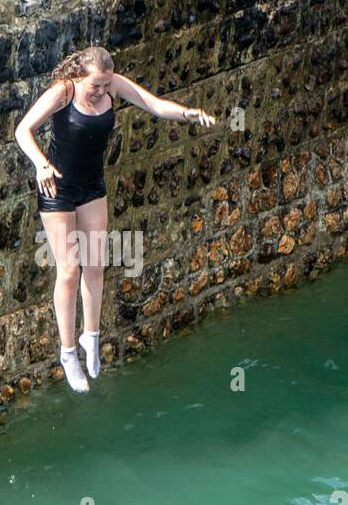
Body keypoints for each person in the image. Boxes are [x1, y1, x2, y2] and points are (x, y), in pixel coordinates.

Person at [14, 46, 215, 393]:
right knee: (69, 269)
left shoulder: (114, 84)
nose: (102, 92)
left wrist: (189, 114)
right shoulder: (63, 91)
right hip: (56, 188)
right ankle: (67, 354)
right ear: (79, 77)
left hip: (92, 186)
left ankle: (90, 337)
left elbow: (153, 104)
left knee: (95, 264)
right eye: (96, 85)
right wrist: (40, 164)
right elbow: (22, 131)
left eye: (106, 85)